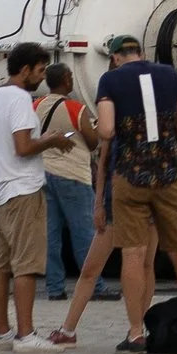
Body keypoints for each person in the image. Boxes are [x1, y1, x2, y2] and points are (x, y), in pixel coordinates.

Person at [94, 32, 177, 354]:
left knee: (133, 255)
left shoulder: (110, 80)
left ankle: (136, 333)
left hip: (130, 176)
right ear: (141, 53)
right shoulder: (169, 74)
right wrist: (164, 135)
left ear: (116, 57)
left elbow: (106, 130)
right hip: (168, 175)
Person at [0, 42, 78, 350]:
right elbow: (23, 147)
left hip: (2, 190)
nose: (41, 77)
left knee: (0, 265)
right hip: (24, 189)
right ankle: (26, 334)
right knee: (26, 265)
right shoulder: (21, 100)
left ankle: (2, 332)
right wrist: (51, 140)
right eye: (39, 71)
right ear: (25, 70)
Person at [39, 64, 109, 303]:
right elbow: (91, 143)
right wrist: (97, 129)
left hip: (45, 174)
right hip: (73, 177)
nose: (71, 80)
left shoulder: (36, 105)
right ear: (66, 80)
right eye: (70, 77)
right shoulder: (75, 108)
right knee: (85, 234)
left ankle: (55, 288)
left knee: (52, 234)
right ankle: (96, 286)